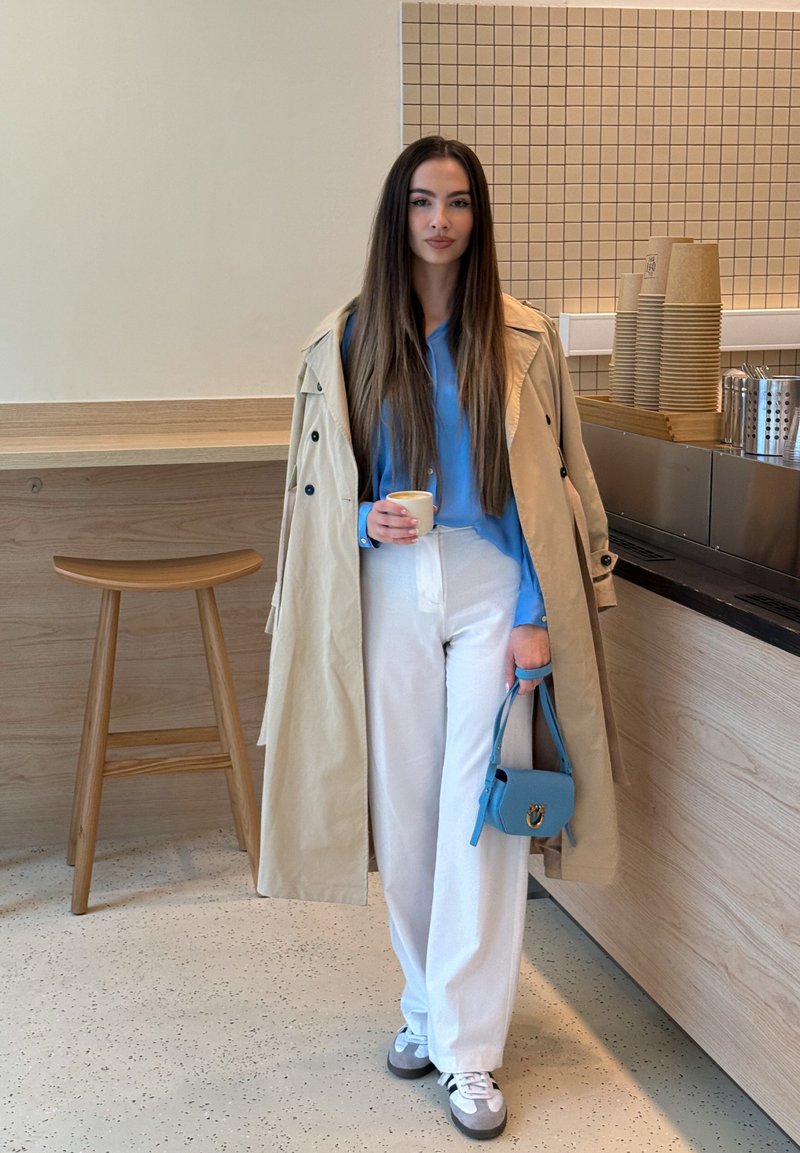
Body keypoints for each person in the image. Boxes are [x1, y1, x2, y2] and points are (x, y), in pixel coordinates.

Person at [257, 136, 622, 1141]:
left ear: (476, 216)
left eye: (457, 202)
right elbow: (315, 489)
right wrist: (362, 516)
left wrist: (538, 613)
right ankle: (424, 1004)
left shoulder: (523, 337)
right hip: (388, 585)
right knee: (409, 815)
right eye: (421, 201)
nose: (439, 220)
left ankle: (468, 1050)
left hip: (492, 592)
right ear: (396, 214)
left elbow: (557, 486)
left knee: (480, 819)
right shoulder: (344, 338)